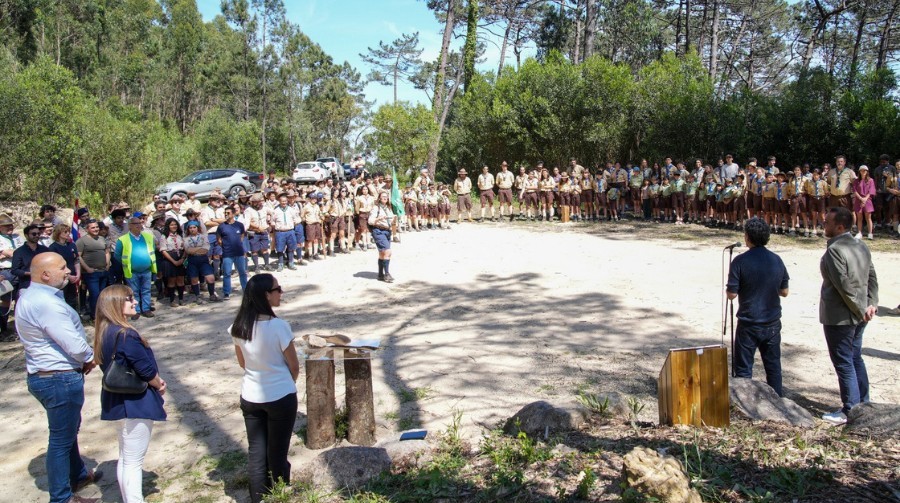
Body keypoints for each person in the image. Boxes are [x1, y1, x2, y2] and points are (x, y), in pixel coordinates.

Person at [17, 253, 101, 503]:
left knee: (68, 431)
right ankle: (62, 497)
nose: (68, 271)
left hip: (50, 375)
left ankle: (78, 474)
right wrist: (90, 357)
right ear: (45, 275)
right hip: (57, 378)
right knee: (61, 440)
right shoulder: (45, 303)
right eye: (62, 268)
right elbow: (72, 343)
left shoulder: (31, 296)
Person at [93, 285, 167, 503]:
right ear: (115, 304)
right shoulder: (126, 335)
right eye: (129, 299)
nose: (134, 302)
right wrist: (159, 383)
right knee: (133, 461)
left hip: (117, 401)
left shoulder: (105, 331)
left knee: (126, 458)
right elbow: (145, 370)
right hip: (135, 402)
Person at [230, 274, 299, 503]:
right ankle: (280, 494)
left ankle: (258, 498)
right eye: (278, 289)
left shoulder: (238, 327)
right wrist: (286, 381)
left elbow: (242, 363)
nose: (281, 292)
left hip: (250, 395)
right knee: (277, 451)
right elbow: (294, 365)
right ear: (266, 295)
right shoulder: (279, 326)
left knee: (256, 452)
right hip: (280, 394)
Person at [819, 206, 879, 425]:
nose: (824, 225)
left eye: (827, 222)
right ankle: (863, 403)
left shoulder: (835, 250)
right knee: (855, 357)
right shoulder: (860, 245)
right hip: (861, 313)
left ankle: (850, 409)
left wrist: (861, 308)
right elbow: (872, 277)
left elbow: (843, 285)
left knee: (844, 361)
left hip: (841, 316)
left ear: (840, 227)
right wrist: (871, 304)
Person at [726, 217, 790, 396]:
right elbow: (784, 291)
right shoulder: (776, 259)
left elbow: (732, 294)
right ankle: (778, 401)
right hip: (772, 322)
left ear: (747, 237)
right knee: (773, 367)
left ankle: (743, 402)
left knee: (744, 369)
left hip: (749, 322)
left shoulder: (739, 261)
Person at [115, 217, 157, 319]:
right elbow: (117, 255)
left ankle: (146, 309)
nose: (139, 225)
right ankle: (136, 311)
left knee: (146, 290)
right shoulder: (122, 239)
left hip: (147, 270)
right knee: (134, 292)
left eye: (140, 223)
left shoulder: (148, 237)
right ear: (130, 226)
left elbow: (153, 250)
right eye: (135, 223)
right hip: (132, 271)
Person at [217, 206, 249, 300]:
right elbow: (219, 240)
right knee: (227, 273)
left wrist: (239, 246)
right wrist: (226, 246)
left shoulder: (240, 225)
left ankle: (245, 290)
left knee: (242, 272)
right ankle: (226, 292)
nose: (226, 214)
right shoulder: (221, 226)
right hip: (227, 253)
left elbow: (242, 236)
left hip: (239, 253)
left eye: (228, 213)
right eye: (225, 213)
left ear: (234, 214)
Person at [0, 213, 24, 335]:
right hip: (6, 271)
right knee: (6, 300)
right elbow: (11, 253)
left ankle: (20, 327)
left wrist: (6, 254)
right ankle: (3, 328)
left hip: (19, 270)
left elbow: (23, 251)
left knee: (21, 299)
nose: (10, 227)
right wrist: (8, 253)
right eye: (6, 226)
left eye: (11, 225)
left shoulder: (17, 237)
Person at [49, 224, 81, 311]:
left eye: (69, 232)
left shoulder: (72, 245)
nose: (68, 234)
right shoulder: (53, 247)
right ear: (59, 233)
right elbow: (54, 265)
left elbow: (76, 260)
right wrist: (68, 276)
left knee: (72, 299)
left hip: (73, 276)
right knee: (62, 299)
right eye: (65, 232)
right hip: (61, 278)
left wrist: (78, 274)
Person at [12, 222, 51, 291]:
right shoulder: (19, 252)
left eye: (38, 233)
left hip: (44, 284)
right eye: (34, 234)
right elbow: (15, 270)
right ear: (26, 235)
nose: (37, 236)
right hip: (27, 284)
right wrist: (29, 273)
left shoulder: (45, 249)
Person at [369, 191, 396, 283]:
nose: (385, 198)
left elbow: (391, 220)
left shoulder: (388, 208)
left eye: (386, 196)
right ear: (379, 198)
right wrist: (378, 219)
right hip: (378, 230)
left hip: (387, 231)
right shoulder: (376, 208)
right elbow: (370, 221)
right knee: (388, 252)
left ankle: (380, 274)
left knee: (382, 253)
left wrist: (394, 219)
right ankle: (387, 274)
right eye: (383, 196)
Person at [160, 218, 186, 306]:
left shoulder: (180, 235)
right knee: (172, 280)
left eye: (175, 224)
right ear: (168, 226)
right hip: (170, 258)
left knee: (181, 279)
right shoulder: (164, 236)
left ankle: (181, 298)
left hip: (180, 257)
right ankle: (172, 300)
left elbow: (185, 247)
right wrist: (173, 261)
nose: (174, 226)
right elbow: (163, 251)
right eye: (171, 225)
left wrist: (182, 258)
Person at [851, 165, 875, 240]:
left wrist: (865, 199)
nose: (863, 172)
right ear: (859, 171)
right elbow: (855, 190)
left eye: (865, 170)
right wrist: (861, 198)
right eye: (861, 170)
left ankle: (870, 233)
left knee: (868, 217)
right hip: (858, 200)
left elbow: (871, 191)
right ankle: (859, 233)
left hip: (868, 200)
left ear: (867, 171)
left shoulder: (871, 180)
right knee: (859, 217)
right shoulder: (856, 181)